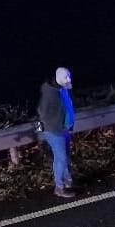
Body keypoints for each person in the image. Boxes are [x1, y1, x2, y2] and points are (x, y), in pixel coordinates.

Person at [37, 67, 76, 198]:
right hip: (54, 131)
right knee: (61, 158)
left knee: (64, 157)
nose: (69, 79)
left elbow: (66, 108)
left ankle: (67, 180)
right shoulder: (50, 94)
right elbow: (41, 114)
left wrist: (69, 126)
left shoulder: (62, 88)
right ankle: (59, 187)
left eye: (69, 76)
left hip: (64, 129)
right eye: (66, 77)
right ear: (58, 78)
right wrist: (40, 133)